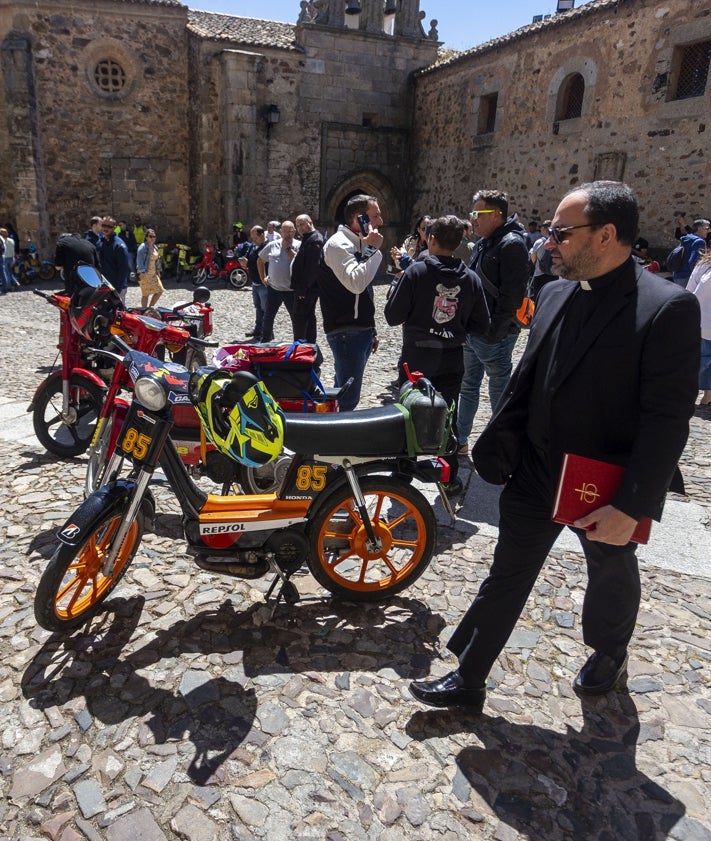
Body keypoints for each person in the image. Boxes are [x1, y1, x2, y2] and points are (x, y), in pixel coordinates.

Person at [409, 181, 700, 712]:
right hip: (537, 470)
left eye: (562, 233)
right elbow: (528, 378)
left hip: (603, 483)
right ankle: (469, 676)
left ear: (607, 235)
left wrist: (633, 505)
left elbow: (667, 420)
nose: (549, 243)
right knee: (508, 570)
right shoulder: (555, 292)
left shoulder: (667, 308)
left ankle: (610, 653)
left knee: (610, 572)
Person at [384, 215, 490, 494]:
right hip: (451, 357)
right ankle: (449, 476)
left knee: (407, 414)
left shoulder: (416, 272)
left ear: (430, 239)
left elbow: (392, 316)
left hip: (417, 358)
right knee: (449, 416)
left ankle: (402, 474)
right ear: (458, 243)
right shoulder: (470, 278)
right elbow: (482, 324)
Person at [456, 189, 529, 453]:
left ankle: (500, 447)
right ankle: (460, 440)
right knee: (468, 386)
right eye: (472, 214)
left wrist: (491, 334)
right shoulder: (486, 242)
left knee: (499, 391)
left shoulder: (512, 244)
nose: (473, 219)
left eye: (477, 213)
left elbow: (512, 297)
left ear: (496, 215)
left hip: (493, 336)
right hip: (474, 332)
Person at [317, 194, 383, 412]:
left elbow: (366, 293)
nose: (380, 222)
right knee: (347, 398)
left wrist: (371, 328)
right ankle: (334, 440)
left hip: (359, 330)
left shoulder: (360, 243)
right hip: (346, 331)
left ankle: (328, 437)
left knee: (341, 392)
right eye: (375, 216)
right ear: (359, 218)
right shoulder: (338, 245)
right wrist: (373, 250)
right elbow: (356, 283)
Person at [257, 220, 299, 342]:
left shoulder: (299, 245)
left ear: (294, 232)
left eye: (290, 231)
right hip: (274, 288)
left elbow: (299, 263)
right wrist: (262, 277)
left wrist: (288, 249)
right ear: (280, 232)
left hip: (291, 290)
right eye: (285, 231)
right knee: (268, 316)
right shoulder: (272, 245)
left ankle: (297, 342)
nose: (287, 234)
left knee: (295, 317)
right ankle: (265, 340)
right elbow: (260, 260)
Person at [291, 214, 323, 344]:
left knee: (301, 318)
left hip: (306, 289)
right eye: (298, 226)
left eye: (302, 224)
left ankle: (302, 347)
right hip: (303, 288)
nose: (300, 228)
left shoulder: (315, 240)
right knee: (307, 317)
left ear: (310, 222)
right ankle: (307, 346)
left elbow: (312, 268)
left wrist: (303, 290)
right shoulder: (308, 238)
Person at [686, 250, 711, 406]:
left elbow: (689, 291)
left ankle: (707, 395)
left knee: (701, 360)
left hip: (702, 321)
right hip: (703, 322)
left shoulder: (704, 266)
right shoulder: (704, 266)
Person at [239, 225, 267, 341]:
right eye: (252, 238)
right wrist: (243, 261)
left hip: (263, 284)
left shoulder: (267, 246)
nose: (253, 240)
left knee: (265, 309)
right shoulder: (253, 246)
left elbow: (262, 263)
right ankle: (258, 329)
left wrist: (248, 263)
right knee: (258, 307)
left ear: (262, 235)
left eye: (255, 238)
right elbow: (249, 258)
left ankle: (267, 331)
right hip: (255, 283)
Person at [98, 216, 130, 302]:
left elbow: (123, 270)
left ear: (114, 228)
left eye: (109, 226)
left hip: (116, 288)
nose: (106, 228)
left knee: (117, 314)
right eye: (104, 225)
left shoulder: (119, 245)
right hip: (103, 287)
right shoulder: (101, 242)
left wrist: (116, 291)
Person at [673, 219, 710, 288]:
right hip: (688, 277)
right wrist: (699, 278)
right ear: (699, 228)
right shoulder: (700, 242)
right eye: (707, 228)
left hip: (678, 275)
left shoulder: (686, 238)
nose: (709, 231)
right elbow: (693, 261)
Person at [136, 228, 164, 307]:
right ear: (146, 237)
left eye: (154, 236)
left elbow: (157, 260)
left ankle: (150, 308)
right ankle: (144, 310)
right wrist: (141, 272)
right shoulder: (143, 247)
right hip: (145, 273)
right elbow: (139, 259)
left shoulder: (155, 247)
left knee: (160, 291)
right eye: (150, 236)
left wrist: (158, 271)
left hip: (153, 273)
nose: (152, 238)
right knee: (146, 294)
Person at [529, 220, 556, 301]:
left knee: (538, 299)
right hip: (553, 274)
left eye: (541, 228)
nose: (540, 230)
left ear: (545, 229)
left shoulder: (539, 242)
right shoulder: (557, 241)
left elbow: (533, 259)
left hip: (539, 274)